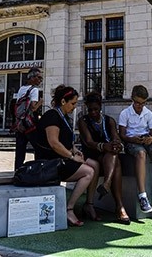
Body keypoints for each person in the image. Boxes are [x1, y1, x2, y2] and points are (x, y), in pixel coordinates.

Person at [35, 85, 96, 227]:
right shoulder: (52, 116)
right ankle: (69, 208)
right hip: (50, 163)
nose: (74, 107)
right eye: (73, 103)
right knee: (89, 172)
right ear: (63, 101)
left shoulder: (63, 117)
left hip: (60, 159)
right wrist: (72, 156)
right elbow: (54, 143)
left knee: (93, 164)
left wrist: (74, 150)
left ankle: (89, 203)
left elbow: (64, 140)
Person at [77, 91, 130, 224]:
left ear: (100, 107)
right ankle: (119, 206)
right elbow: (89, 142)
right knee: (115, 160)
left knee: (114, 157)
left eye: (95, 109)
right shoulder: (83, 121)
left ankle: (108, 186)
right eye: (90, 110)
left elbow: (116, 137)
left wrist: (116, 144)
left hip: (108, 155)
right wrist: (103, 146)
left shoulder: (109, 120)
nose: (93, 112)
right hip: (91, 155)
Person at [118, 84, 152, 214]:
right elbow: (122, 135)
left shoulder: (148, 113)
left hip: (146, 140)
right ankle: (142, 196)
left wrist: (151, 139)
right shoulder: (125, 113)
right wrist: (133, 139)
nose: (139, 106)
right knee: (141, 154)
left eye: (142, 103)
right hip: (132, 142)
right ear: (132, 99)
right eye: (137, 103)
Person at [15, 67, 43, 170]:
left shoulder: (21, 88)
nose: (40, 80)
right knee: (39, 148)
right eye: (39, 78)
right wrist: (40, 102)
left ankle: (17, 171)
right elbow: (33, 108)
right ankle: (36, 171)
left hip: (20, 124)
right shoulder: (34, 90)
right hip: (30, 125)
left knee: (20, 151)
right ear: (32, 77)